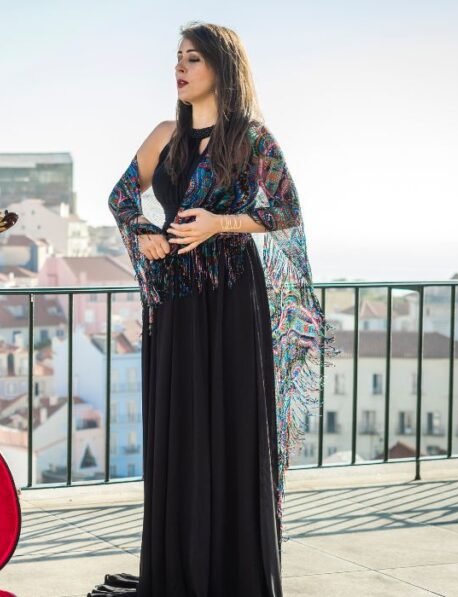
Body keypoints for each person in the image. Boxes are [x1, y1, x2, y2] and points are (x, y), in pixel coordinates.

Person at [89, 22, 335, 596]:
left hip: (229, 296)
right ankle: (179, 568)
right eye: (176, 58)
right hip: (176, 298)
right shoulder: (164, 136)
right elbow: (121, 196)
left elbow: (287, 212)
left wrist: (220, 222)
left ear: (221, 68)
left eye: (192, 59)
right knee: (181, 426)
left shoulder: (251, 139)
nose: (179, 68)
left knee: (229, 423)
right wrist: (145, 229)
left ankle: (230, 571)